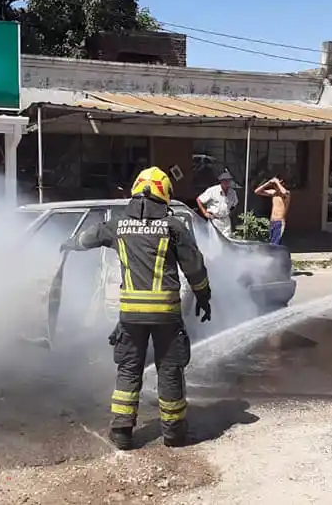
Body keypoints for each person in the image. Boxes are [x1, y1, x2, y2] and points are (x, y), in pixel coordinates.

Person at [60, 166, 212, 450]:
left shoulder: (118, 226)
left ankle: (121, 432)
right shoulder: (173, 227)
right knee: (169, 370)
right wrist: (204, 296)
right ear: (164, 193)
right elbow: (195, 267)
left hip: (130, 315)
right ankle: (174, 434)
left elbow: (88, 237)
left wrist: (69, 244)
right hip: (166, 315)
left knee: (129, 369)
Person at [196, 171, 239, 237]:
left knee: (226, 242)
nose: (226, 182)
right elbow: (199, 200)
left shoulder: (233, 192)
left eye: (228, 180)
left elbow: (235, 204)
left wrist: (229, 212)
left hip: (226, 221)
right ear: (221, 181)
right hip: (215, 220)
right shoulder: (212, 190)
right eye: (224, 180)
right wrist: (205, 213)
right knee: (214, 241)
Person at [254, 176, 291, 245]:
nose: (275, 186)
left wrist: (277, 182)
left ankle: (276, 255)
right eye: (274, 184)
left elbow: (284, 192)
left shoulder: (286, 194)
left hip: (279, 222)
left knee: (276, 244)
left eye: (278, 184)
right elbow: (257, 191)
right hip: (272, 221)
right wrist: (268, 183)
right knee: (271, 242)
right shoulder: (273, 193)